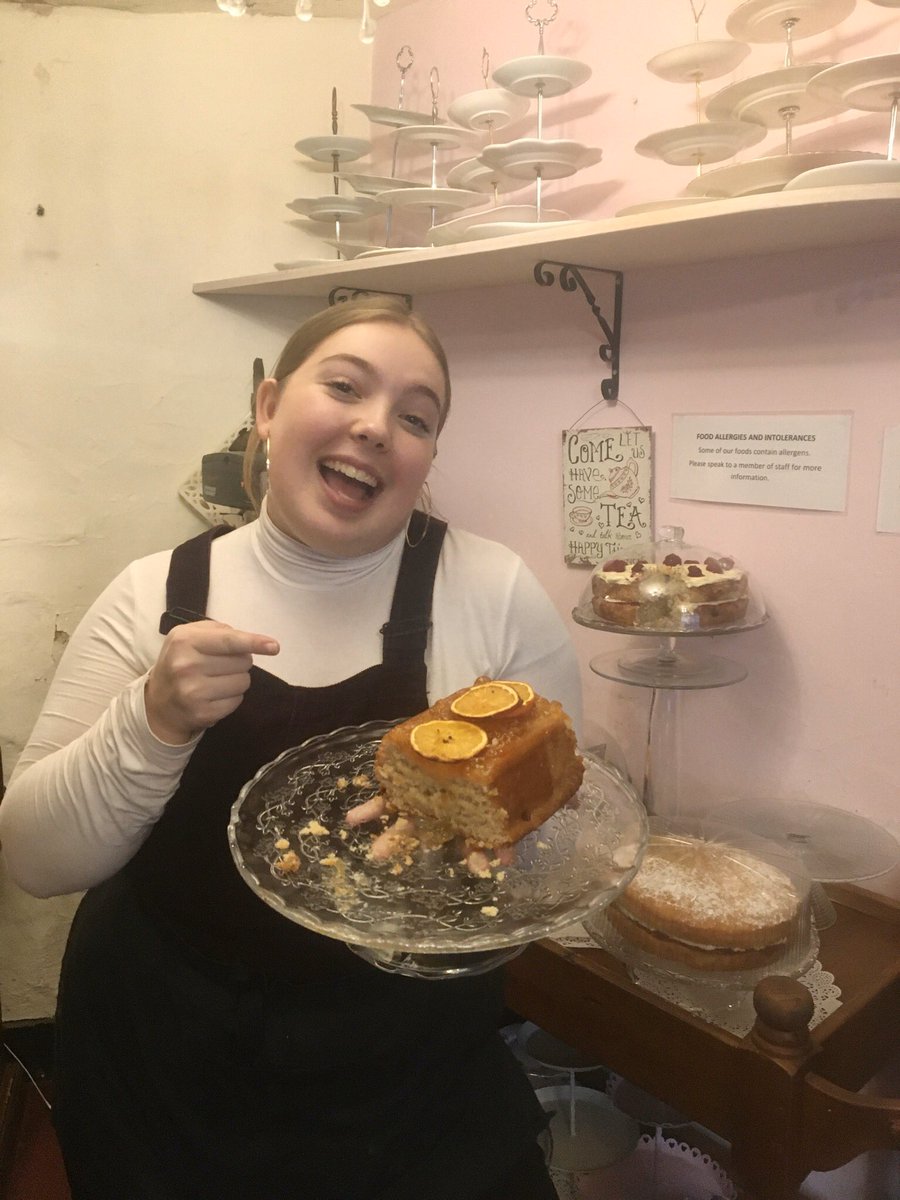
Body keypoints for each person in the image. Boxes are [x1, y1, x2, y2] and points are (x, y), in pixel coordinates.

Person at [0, 297, 583, 1200]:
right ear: (269, 407)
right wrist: (150, 720)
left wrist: (488, 844)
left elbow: (553, 823)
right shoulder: (155, 592)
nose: (376, 426)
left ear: (428, 456)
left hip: (410, 1057)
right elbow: (35, 859)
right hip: (165, 1040)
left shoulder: (493, 590)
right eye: (345, 385)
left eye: (416, 416)